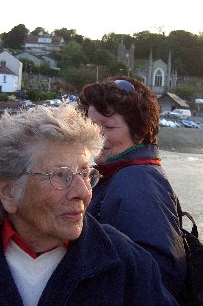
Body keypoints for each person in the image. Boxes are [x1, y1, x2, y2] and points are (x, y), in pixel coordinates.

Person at [0, 105, 178, 306]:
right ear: (8, 192)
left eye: (86, 173)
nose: (83, 192)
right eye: (60, 175)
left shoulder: (128, 267)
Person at [78, 76, 187, 301]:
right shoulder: (117, 174)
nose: (96, 137)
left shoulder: (138, 183)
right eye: (90, 126)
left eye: (108, 127)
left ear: (139, 132)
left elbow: (159, 279)